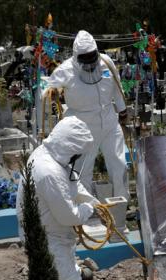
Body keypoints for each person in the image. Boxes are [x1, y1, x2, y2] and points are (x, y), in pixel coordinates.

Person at [17, 116, 109, 280]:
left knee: (64, 261)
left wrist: (92, 201)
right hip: (47, 237)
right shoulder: (48, 171)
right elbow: (69, 216)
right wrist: (90, 210)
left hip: (50, 232)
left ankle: (71, 271)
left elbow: (72, 182)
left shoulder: (49, 154)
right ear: (69, 147)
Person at [45, 30, 129, 199]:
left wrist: (122, 109)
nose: (90, 65)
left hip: (108, 119)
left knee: (119, 164)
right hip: (82, 125)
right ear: (77, 57)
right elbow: (46, 89)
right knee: (83, 168)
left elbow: (116, 84)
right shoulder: (65, 70)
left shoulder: (106, 62)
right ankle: (86, 208)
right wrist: (50, 94)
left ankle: (121, 204)